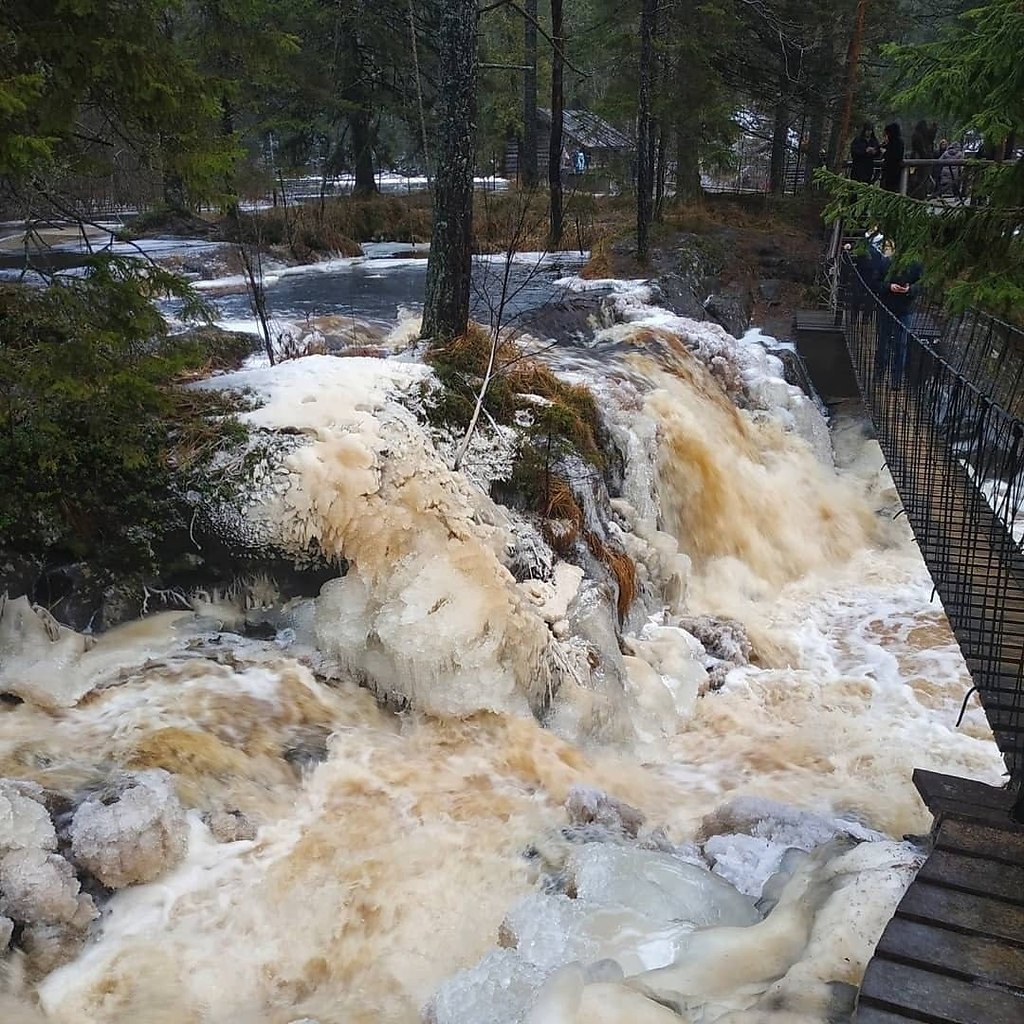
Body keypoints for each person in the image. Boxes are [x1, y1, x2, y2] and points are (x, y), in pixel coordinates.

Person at [875, 243, 923, 386]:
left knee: (901, 344)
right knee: (884, 342)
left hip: (905, 309)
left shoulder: (916, 266)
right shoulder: (885, 263)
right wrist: (889, 287)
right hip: (886, 308)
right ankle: (879, 374)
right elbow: (875, 284)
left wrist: (909, 289)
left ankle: (896, 379)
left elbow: (922, 286)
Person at [880, 122, 905, 192]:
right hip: (894, 171)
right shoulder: (898, 142)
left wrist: (884, 153)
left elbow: (893, 156)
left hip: (892, 171)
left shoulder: (895, 143)